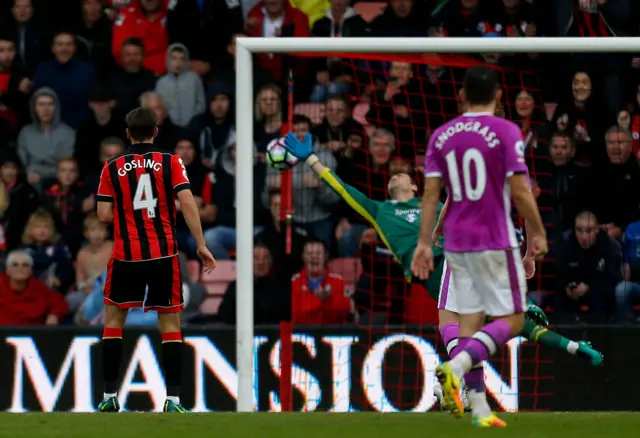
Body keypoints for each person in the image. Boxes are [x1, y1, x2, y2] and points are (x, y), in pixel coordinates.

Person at [283, 130, 602, 378]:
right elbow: (342, 189)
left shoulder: (433, 205)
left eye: (402, 173)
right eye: (392, 174)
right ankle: (515, 314)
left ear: (414, 185)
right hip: (431, 270)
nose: (395, 175)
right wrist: (312, 159)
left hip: (459, 259)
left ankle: (574, 347)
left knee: (513, 324)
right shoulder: (379, 210)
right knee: (485, 317)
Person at [412, 65, 548, 427]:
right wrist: (536, 234)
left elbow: (431, 194)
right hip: (494, 239)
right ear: (500, 96)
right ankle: (455, 367)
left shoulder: (441, 135)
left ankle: (480, 409)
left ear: (461, 95)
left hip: (456, 243)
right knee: (513, 320)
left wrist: (425, 242)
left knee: (468, 325)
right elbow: (519, 191)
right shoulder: (506, 130)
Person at [95, 107, 215, 413]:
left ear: (127, 133)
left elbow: (103, 215)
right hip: (163, 254)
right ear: (156, 131)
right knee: (171, 325)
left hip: (126, 255)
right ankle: (173, 400)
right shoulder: (171, 162)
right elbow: (187, 201)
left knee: (113, 322)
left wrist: (127, 210)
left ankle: (109, 396)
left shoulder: (112, 167)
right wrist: (200, 243)